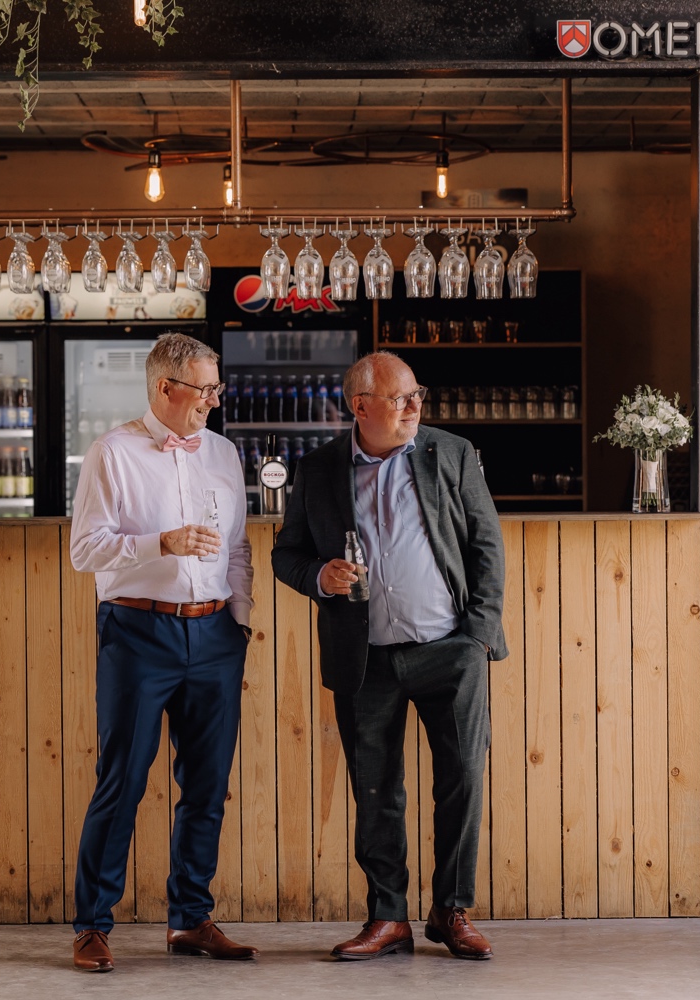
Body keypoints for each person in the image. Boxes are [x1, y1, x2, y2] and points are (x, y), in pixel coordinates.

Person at [273, 351, 507, 961]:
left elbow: (486, 543)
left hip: (450, 649)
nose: (413, 406)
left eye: (415, 394)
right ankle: (388, 917)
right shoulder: (319, 469)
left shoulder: (448, 454)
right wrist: (319, 576)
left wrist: (478, 635)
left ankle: (452, 911)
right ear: (360, 407)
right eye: (399, 397)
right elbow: (285, 554)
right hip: (365, 658)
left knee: (462, 781)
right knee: (375, 789)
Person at [67, 332, 257, 973]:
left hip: (214, 638)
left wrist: (240, 620)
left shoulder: (225, 454)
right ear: (164, 388)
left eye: (215, 388)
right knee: (121, 782)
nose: (211, 400)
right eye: (202, 389)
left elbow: (236, 547)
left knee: (207, 786)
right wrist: (162, 544)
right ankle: (93, 926)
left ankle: (191, 920)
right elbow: (85, 551)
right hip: (137, 633)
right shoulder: (113, 453)